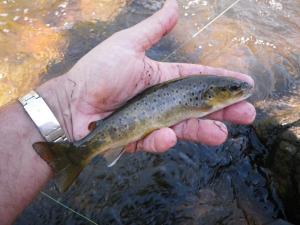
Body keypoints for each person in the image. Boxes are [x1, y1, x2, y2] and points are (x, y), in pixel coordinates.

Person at [0, 0, 255, 224]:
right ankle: (75, 155)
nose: (240, 89)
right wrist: (64, 105)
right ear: (210, 96)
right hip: (119, 125)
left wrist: (62, 106)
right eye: (233, 89)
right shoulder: (205, 98)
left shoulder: (206, 93)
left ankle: (74, 155)